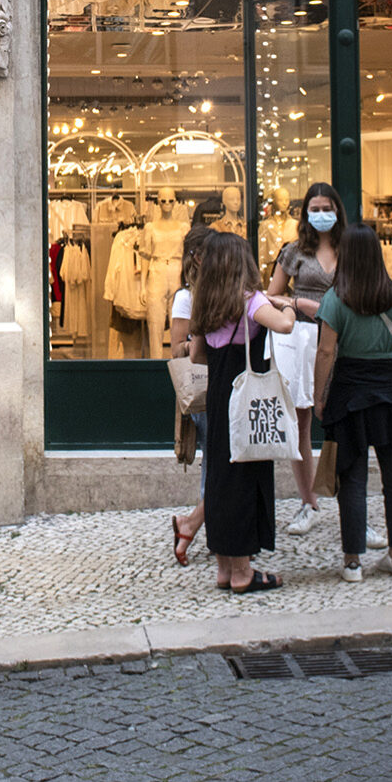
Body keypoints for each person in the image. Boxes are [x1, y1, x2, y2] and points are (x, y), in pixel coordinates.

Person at [267, 183, 384, 545]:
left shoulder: (351, 250)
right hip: (302, 342)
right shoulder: (294, 252)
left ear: (337, 210)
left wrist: (320, 309)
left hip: (344, 340)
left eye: (326, 207)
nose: (320, 214)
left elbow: (364, 292)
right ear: (305, 213)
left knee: (346, 425)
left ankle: (354, 512)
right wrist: (296, 306)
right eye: (313, 207)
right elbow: (271, 295)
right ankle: (308, 502)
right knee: (302, 423)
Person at [312, 223, 392, 584]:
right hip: (391, 390)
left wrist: (319, 397)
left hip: (351, 392)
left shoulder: (335, 299)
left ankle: (352, 562)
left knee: (352, 477)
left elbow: (326, 351)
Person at [188, 231, 297, 593]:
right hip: (247, 396)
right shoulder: (250, 301)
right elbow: (282, 325)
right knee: (245, 478)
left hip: (219, 396)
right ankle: (243, 573)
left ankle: (223, 568)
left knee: (219, 476)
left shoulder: (204, 303)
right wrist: (289, 305)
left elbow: (195, 356)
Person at [167, 224, 212, 566]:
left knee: (219, 461)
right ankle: (194, 524)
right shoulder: (186, 297)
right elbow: (177, 348)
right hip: (204, 386)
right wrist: (206, 340)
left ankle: (200, 525)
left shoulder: (217, 290)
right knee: (217, 463)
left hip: (223, 384)